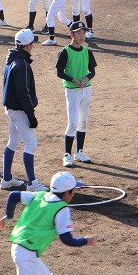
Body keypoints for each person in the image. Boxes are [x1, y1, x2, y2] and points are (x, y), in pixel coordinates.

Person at [1, 29, 46, 192]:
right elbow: (23, 92)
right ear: (27, 46)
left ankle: (6, 179)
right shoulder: (22, 64)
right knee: (31, 143)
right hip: (19, 110)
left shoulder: (12, 59)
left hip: (11, 108)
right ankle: (32, 183)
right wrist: (31, 114)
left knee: (13, 142)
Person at [57, 22, 96, 168]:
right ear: (71, 34)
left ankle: (79, 152)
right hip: (72, 90)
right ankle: (67, 154)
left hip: (86, 89)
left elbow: (92, 71)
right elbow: (59, 72)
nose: (82, 36)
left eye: (83, 33)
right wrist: (74, 80)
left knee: (83, 121)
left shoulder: (87, 51)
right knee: (73, 123)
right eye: (78, 33)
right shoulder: (65, 51)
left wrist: (86, 79)